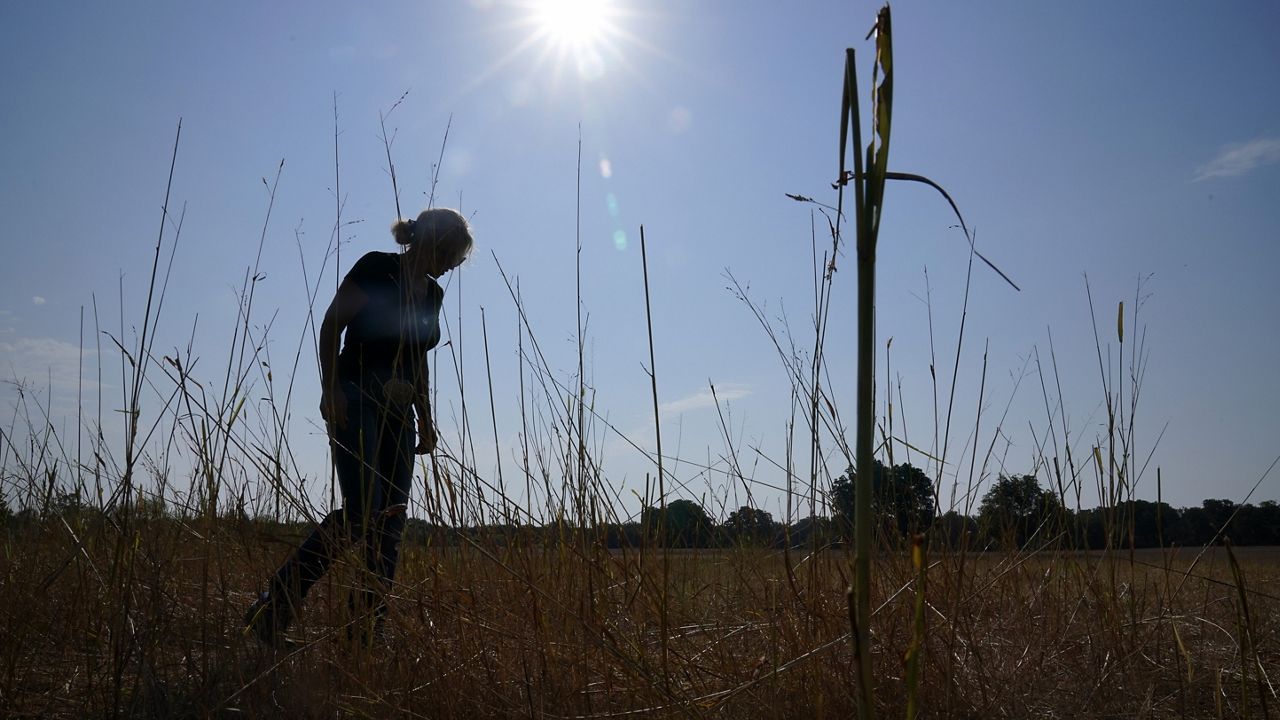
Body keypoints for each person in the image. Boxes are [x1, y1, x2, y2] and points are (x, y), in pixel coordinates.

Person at [244, 207, 473, 647]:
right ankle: (273, 608)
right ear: (432, 244)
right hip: (357, 394)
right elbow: (333, 324)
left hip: (399, 411)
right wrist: (330, 388)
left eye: (457, 260)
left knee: (390, 520)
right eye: (450, 255)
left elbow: (417, 357)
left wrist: (425, 417)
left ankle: (366, 631)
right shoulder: (375, 267)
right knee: (362, 512)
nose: (451, 266)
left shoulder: (433, 294)